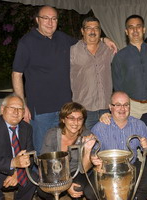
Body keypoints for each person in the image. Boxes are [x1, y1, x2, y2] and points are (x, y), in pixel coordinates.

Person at [12, 6, 117, 155]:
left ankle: (64, 177)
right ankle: (41, 178)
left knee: (66, 150)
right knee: (43, 151)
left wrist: (103, 38)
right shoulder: (26, 42)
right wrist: (22, 104)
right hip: (41, 109)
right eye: (45, 18)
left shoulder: (62, 38)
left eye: (54, 19)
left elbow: (87, 40)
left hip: (65, 108)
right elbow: (17, 74)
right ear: (37, 20)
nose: (50, 22)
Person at [86, 91, 147, 200]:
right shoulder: (100, 127)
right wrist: (92, 158)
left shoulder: (139, 125)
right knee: (90, 192)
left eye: (126, 105)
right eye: (118, 105)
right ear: (110, 107)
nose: (122, 108)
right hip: (106, 169)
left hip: (131, 166)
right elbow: (91, 152)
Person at [40, 102, 95, 199]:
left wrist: (87, 150)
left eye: (79, 119)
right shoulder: (52, 135)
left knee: (77, 187)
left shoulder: (86, 135)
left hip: (75, 171)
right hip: (54, 172)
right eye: (71, 118)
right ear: (63, 119)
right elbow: (46, 165)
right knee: (43, 190)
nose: (76, 122)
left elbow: (84, 169)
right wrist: (66, 185)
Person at [111, 14, 147, 119]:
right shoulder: (120, 56)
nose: (135, 30)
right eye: (131, 27)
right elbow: (118, 86)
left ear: (143, 29)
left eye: (138, 26)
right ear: (126, 32)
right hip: (132, 108)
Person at [70, 16, 114, 130]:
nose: (93, 31)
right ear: (82, 31)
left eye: (96, 28)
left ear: (100, 31)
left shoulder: (109, 50)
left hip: (106, 108)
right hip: (84, 109)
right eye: (89, 28)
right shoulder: (73, 51)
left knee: (106, 144)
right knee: (86, 144)